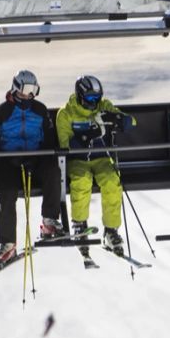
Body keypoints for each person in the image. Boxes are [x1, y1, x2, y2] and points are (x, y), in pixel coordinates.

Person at [0, 70, 65, 265]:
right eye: (25, 91)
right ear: (15, 89)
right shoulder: (1, 113)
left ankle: (49, 222)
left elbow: (50, 139)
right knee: (9, 191)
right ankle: (7, 243)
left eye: (32, 91)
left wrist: (41, 156)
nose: (28, 96)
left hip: (35, 159)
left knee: (53, 171)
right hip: (8, 161)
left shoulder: (40, 110)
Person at [56, 75, 135, 256]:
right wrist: (85, 137)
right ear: (80, 96)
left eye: (97, 98)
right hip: (78, 160)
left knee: (112, 181)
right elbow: (64, 147)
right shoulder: (66, 114)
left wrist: (118, 119)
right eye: (90, 98)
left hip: (102, 158)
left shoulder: (103, 106)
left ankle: (111, 230)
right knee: (81, 181)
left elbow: (131, 122)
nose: (94, 102)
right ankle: (79, 224)